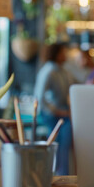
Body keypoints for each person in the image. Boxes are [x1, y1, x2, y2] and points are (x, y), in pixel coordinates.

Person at [34, 43, 74, 175]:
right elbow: (39, 98)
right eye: (63, 52)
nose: (65, 55)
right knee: (65, 135)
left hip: (62, 113)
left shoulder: (62, 71)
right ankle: (61, 173)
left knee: (67, 134)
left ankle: (62, 172)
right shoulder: (49, 70)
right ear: (56, 54)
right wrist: (58, 111)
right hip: (50, 114)